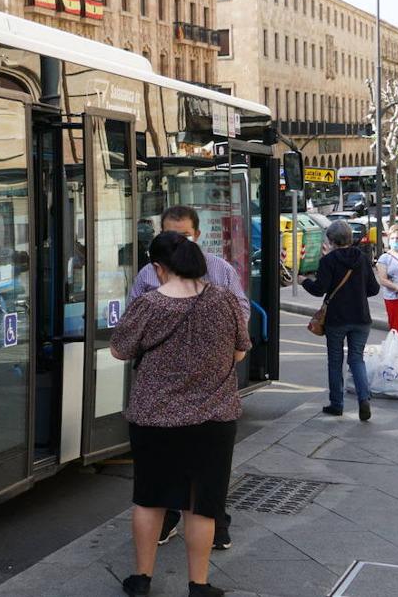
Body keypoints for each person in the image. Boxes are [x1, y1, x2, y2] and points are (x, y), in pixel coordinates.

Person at [111, 232, 250, 597]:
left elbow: (120, 351)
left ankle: (141, 579)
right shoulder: (223, 301)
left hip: (155, 419)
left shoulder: (149, 305)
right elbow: (240, 352)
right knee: (202, 505)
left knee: (149, 497)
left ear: (158, 268)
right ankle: (199, 584)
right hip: (213, 420)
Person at [129, 205, 246, 551]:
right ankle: (167, 522)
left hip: (210, 391)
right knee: (165, 469)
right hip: (164, 393)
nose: (177, 243)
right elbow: (129, 330)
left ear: (197, 235)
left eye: (184, 236)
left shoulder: (220, 271)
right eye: (170, 235)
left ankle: (217, 525)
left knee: (208, 473)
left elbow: (241, 317)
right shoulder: (148, 275)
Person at [298, 220, 380, 421]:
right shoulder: (362, 257)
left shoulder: (329, 261)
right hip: (361, 317)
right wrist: (357, 294)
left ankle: (337, 404)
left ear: (331, 240)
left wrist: (304, 281)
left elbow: (319, 290)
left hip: (337, 319)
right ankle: (364, 399)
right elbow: (374, 289)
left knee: (335, 361)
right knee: (356, 359)